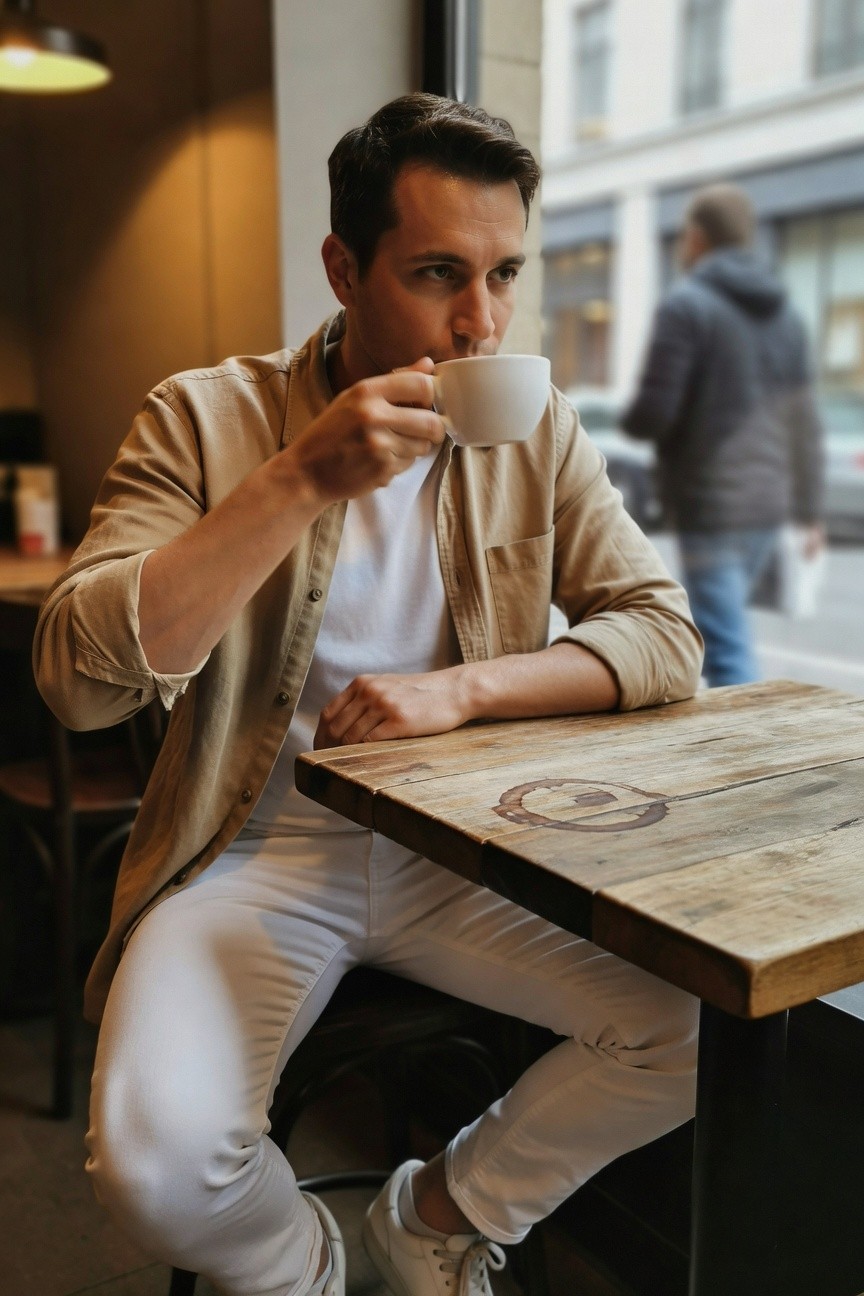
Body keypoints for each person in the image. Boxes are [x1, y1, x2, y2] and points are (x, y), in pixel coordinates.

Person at [34, 93, 703, 1296]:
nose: (481, 321)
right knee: (150, 1164)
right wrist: (298, 481)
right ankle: (309, 1271)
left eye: (506, 274)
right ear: (344, 268)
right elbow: (79, 679)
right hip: (255, 851)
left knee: (698, 1032)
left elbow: (663, 637)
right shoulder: (203, 418)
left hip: (469, 853)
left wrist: (461, 693)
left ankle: (436, 1219)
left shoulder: (534, 426)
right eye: (439, 271)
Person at [621, 182, 825, 688]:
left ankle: (755, 759)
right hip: (768, 505)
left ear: (696, 238)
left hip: (711, 502)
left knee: (727, 649)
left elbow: (654, 413)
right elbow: (805, 424)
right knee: (722, 634)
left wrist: (632, 421)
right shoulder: (787, 317)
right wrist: (809, 510)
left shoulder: (687, 307)